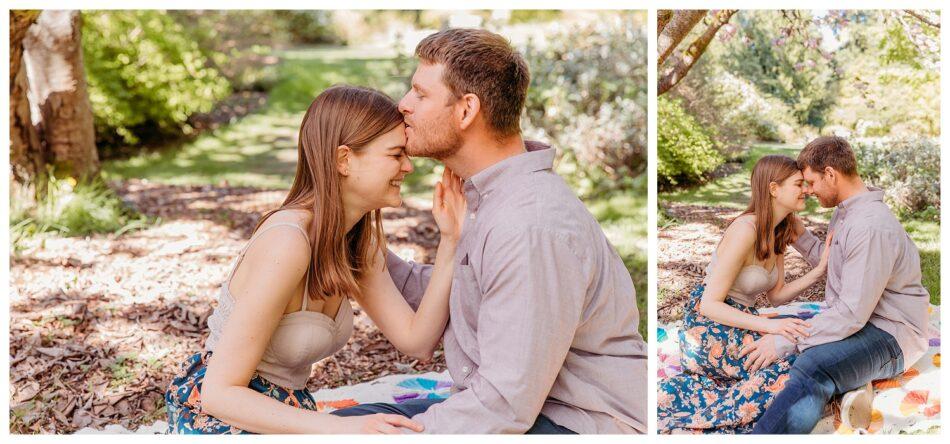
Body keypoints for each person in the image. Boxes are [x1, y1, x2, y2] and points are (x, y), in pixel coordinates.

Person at [330, 28, 647, 434]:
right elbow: (474, 292)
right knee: (334, 426)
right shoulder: (492, 195)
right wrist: (344, 227)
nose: (403, 106)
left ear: (466, 111)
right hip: (532, 407)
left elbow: (502, 406)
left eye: (420, 95)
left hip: (580, 422)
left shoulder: (529, 224)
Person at [164, 85, 467, 434]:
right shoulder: (288, 242)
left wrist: (450, 242)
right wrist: (344, 429)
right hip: (222, 415)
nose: (408, 166)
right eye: (396, 154)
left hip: (287, 410)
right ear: (343, 160)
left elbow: (417, 341)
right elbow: (218, 394)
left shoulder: (357, 241)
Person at [749, 136, 930, 434]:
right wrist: (799, 236)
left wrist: (788, 340)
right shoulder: (847, 212)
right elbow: (837, 262)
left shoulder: (869, 226)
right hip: (863, 321)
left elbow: (850, 315)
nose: (808, 190)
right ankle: (850, 389)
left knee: (812, 364)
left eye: (810, 182)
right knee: (772, 325)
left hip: (891, 334)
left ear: (831, 174)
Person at [657, 155, 832, 433]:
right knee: (795, 362)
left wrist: (819, 269)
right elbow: (709, 305)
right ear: (774, 189)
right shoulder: (745, 229)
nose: (807, 190)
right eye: (799, 184)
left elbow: (776, 296)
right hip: (708, 327)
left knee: (804, 344)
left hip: (740, 320)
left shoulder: (780, 229)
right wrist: (770, 325)